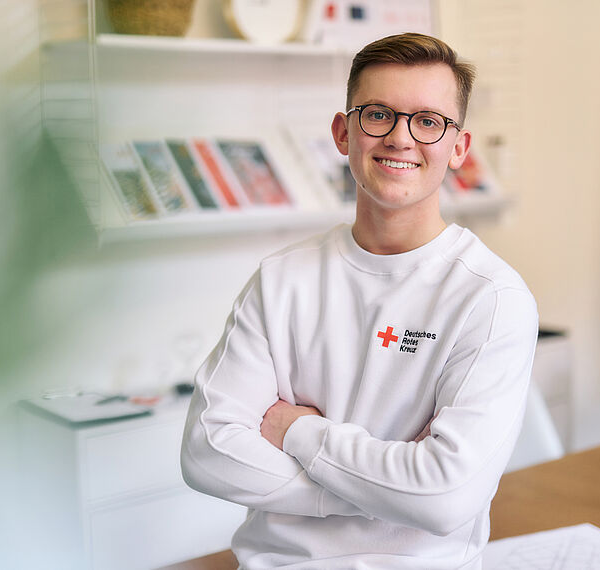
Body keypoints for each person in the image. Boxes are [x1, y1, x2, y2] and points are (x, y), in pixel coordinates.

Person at [181, 32, 538, 569]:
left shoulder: (491, 299)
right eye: (378, 115)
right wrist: (388, 493)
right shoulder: (281, 280)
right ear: (343, 133)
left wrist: (297, 430)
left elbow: (445, 498)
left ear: (459, 148)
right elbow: (206, 451)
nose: (400, 138)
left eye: (428, 121)